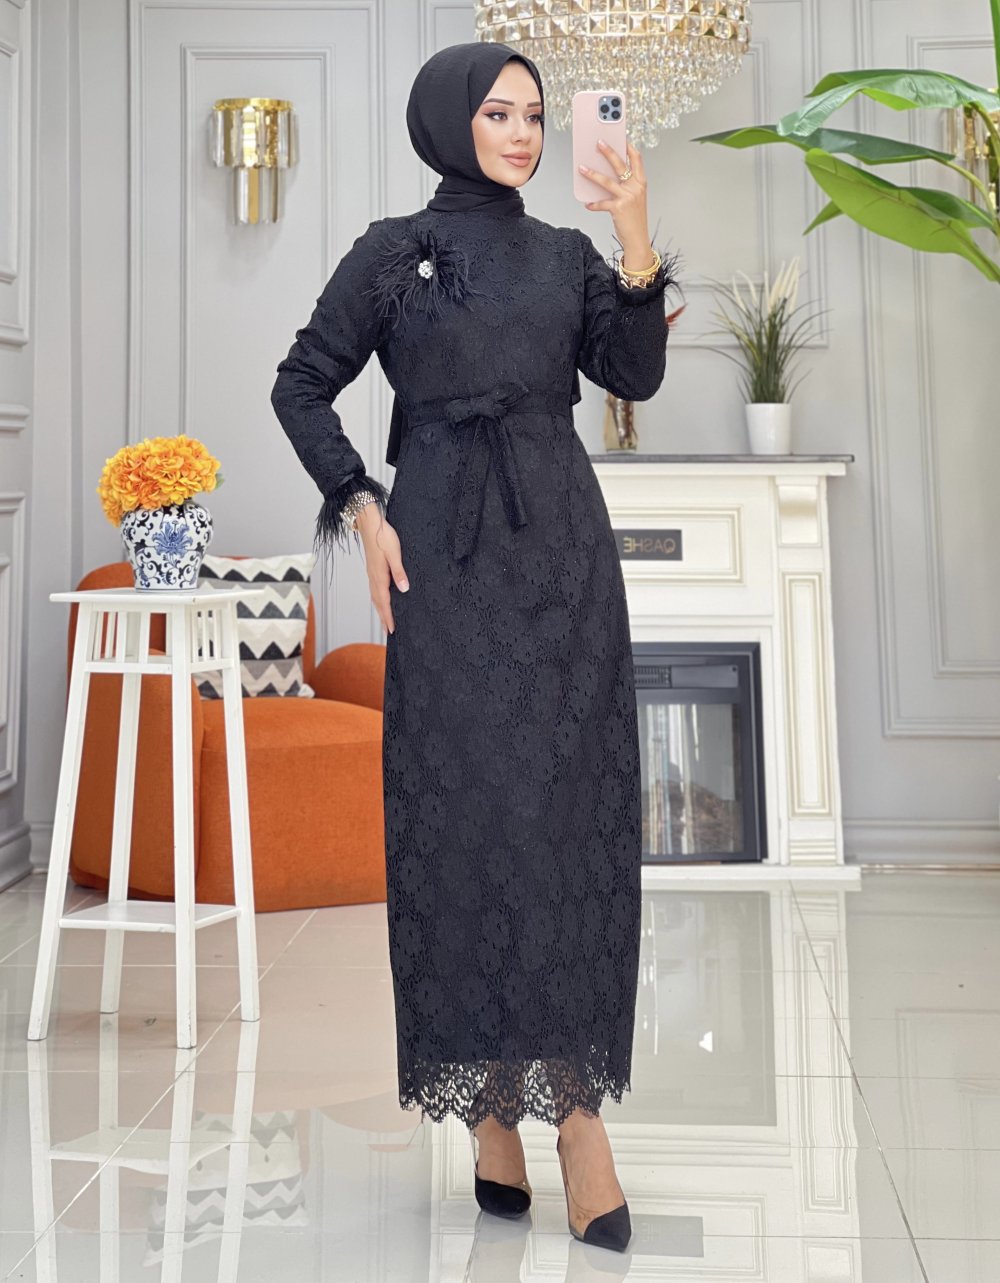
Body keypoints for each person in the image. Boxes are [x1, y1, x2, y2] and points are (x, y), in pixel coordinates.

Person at [270, 40, 678, 1255]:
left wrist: (635, 229)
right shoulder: (392, 252)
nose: (523, 132)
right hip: (444, 561)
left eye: (535, 115)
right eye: (499, 113)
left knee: (567, 826)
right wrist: (361, 506)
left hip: (562, 558)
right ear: (450, 121)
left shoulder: (563, 254)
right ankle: (491, 1108)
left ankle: (578, 1123)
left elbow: (635, 370)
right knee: (463, 828)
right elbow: (301, 382)